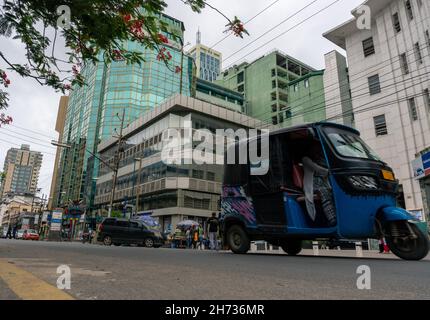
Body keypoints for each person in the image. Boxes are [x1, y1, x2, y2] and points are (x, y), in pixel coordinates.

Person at [302, 143, 336, 226]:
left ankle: (334, 216)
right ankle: (332, 219)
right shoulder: (305, 159)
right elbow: (317, 169)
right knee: (323, 191)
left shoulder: (320, 159)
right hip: (312, 185)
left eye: (317, 150)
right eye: (314, 149)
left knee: (334, 192)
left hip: (322, 184)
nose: (316, 152)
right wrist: (329, 171)